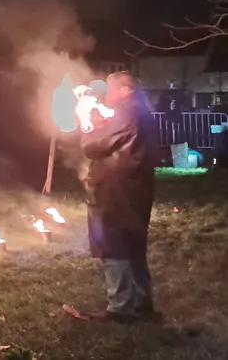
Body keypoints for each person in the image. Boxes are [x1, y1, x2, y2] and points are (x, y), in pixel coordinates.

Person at [64, 72, 159, 323]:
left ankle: (121, 307)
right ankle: (141, 303)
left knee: (113, 244)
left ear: (125, 89)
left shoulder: (126, 111)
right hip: (135, 188)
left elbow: (95, 145)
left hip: (115, 190)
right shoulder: (142, 110)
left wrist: (88, 129)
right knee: (133, 245)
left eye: (110, 89)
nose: (106, 95)